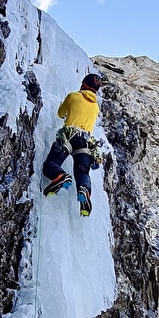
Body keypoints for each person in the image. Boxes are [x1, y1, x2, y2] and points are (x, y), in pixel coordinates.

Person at [43, 73, 104, 217]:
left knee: (51, 164)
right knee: (82, 172)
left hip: (69, 136)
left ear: (83, 84)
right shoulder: (96, 107)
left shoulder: (74, 96)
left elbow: (60, 113)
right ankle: (84, 191)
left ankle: (60, 176)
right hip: (86, 143)